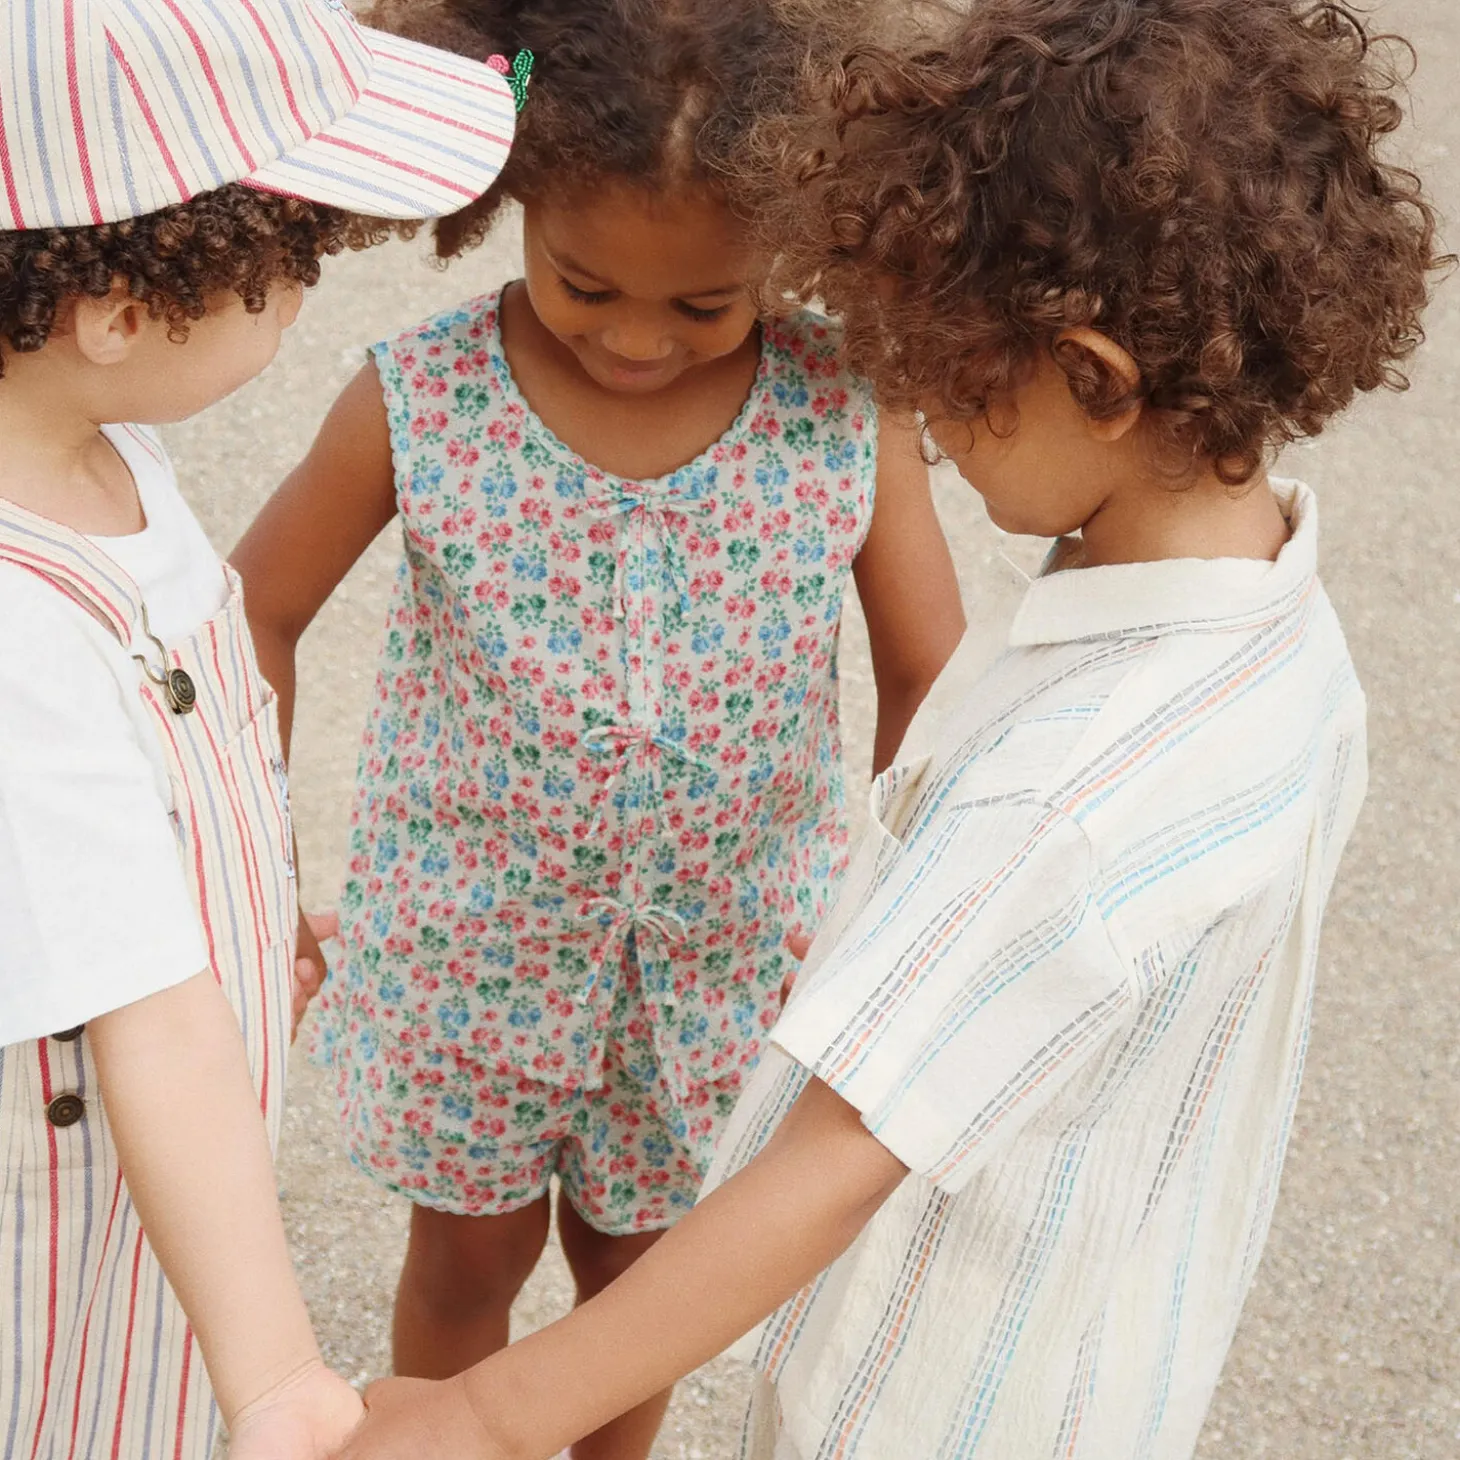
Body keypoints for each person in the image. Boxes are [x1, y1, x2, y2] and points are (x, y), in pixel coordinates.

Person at [327, 1, 1451, 1458]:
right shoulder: (1286, 637)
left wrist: (488, 1415)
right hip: (1107, 1356)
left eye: (951, 376)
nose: (910, 404)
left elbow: (842, 1156)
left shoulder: (1065, 802)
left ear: (1096, 378)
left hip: (937, 1397)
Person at [233, 2, 963, 1455]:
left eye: (706, 306)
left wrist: (891, 920)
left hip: (723, 962)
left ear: (792, 244)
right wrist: (263, 855)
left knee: (642, 1280)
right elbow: (254, 611)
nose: (638, 338)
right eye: (582, 285)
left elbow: (928, 671)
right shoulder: (421, 399)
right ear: (506, 198)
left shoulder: (844, 410)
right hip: (472, 947)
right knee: (466, 1266)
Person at [0, 2, 519, 1457]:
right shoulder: (22, 639)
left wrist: (247, 904)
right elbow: (153, 1022)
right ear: (115, 312)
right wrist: (283, 1372)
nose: (304, 299)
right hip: (98, 1182)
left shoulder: (102, 452)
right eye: (287, 266)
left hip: (170, 1134)